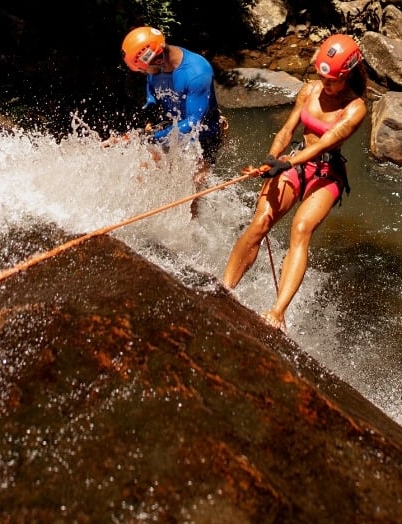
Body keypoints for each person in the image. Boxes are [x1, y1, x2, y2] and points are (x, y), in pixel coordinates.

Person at [222, 33, 367, 331]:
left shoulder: (355, 108)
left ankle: (276, 312)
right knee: (261, 221)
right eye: (324, 79)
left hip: (327, 173)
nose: (327, 85)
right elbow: (288, 130)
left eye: (334, 81)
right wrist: (271, 158)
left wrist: (285, 163)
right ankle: (224, 289)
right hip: (295, 161)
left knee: (300, 230)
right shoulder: (309, 90)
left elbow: (324, 143)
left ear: (348, 75)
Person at [119, 26, 225, 192]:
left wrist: (154, 137)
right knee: (141, 175)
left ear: (159, 60)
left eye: (142, 69)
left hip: (203, 135)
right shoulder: (154, 66)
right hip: (170, 126)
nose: (143, 73)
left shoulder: (197, 73)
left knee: (191, 191)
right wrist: (144, 124)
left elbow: (193, 122)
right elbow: (152, 99)